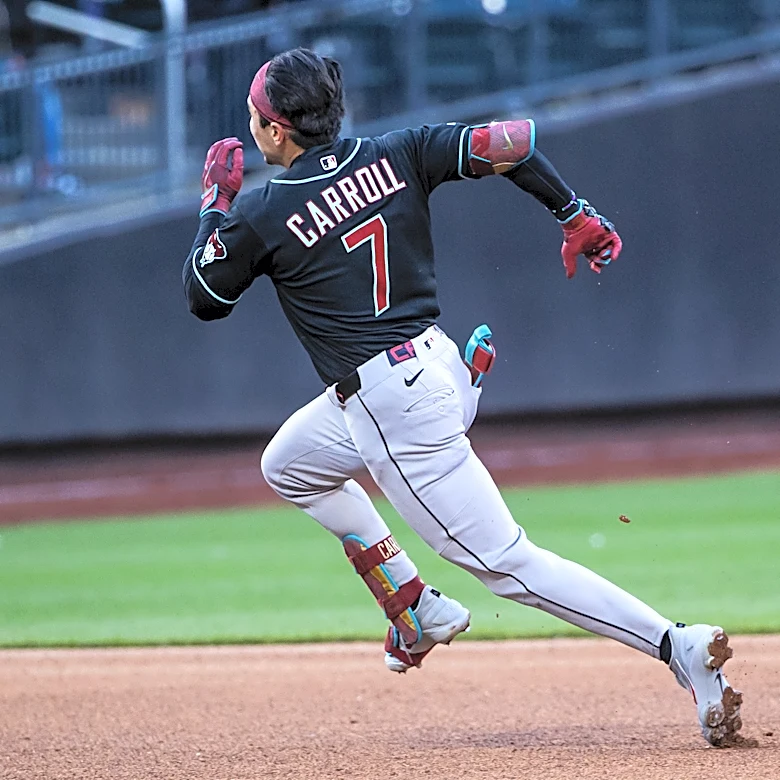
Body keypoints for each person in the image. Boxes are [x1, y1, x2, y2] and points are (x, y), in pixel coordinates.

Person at [183, 47, 744, 747]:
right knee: (289, 463)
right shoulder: (402, 150)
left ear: (275, 131)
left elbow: (203, 297)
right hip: (431, 360)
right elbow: (513, 143)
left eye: (254, 121)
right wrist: (574, 214)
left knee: (510, 566)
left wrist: (215, 203)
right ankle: (412, 606)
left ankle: (675, 645)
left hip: (388, 403)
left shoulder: (263, 210)